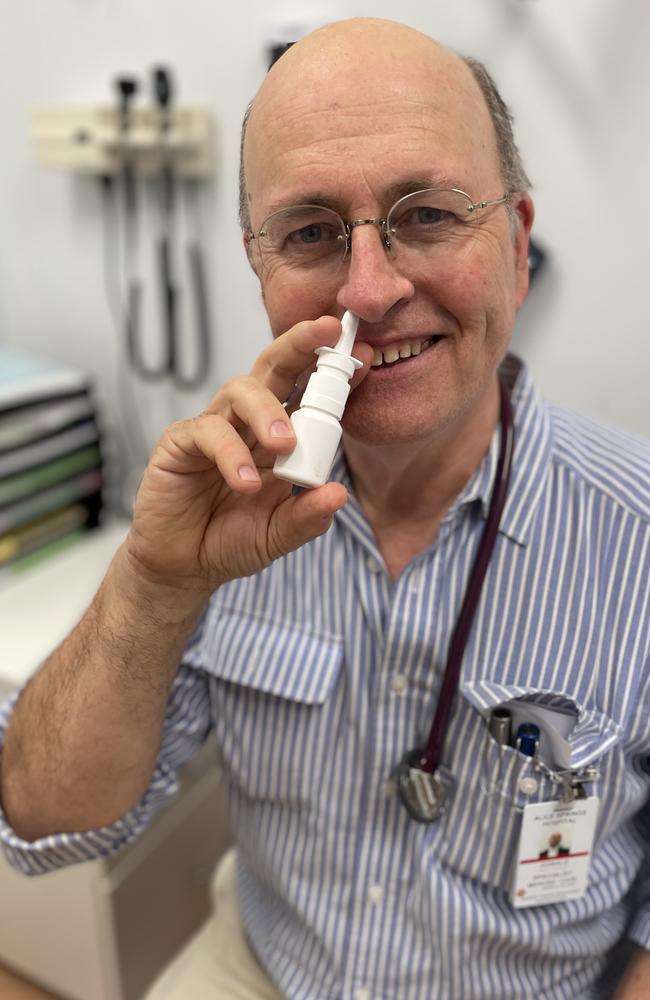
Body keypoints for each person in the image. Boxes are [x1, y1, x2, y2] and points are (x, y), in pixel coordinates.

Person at [1, 17, 649, 1000]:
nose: (367, 289)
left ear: (516, 247)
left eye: (426, 213)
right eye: (308, 232)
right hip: (268, 967)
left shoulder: (634, 536)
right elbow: (44, 824)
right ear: (261, 270)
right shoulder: (223, 509)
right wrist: (152, 583)